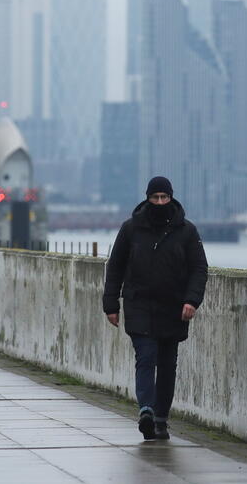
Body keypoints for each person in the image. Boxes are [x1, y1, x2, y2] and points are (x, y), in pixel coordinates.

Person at [102, 176, 208, 440]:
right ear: (147, 198)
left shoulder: (187, 231)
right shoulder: (131, 229)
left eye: (164, 197)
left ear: (171, 197)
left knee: (167, 365)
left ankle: (161, 419)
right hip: (139, 304)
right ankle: (146, 411)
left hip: (173, 307)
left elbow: (199, 269)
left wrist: (191, 300)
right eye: (155, 197)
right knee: (146, 358)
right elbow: (115, 267)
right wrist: (111, 304)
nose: (160, 202)